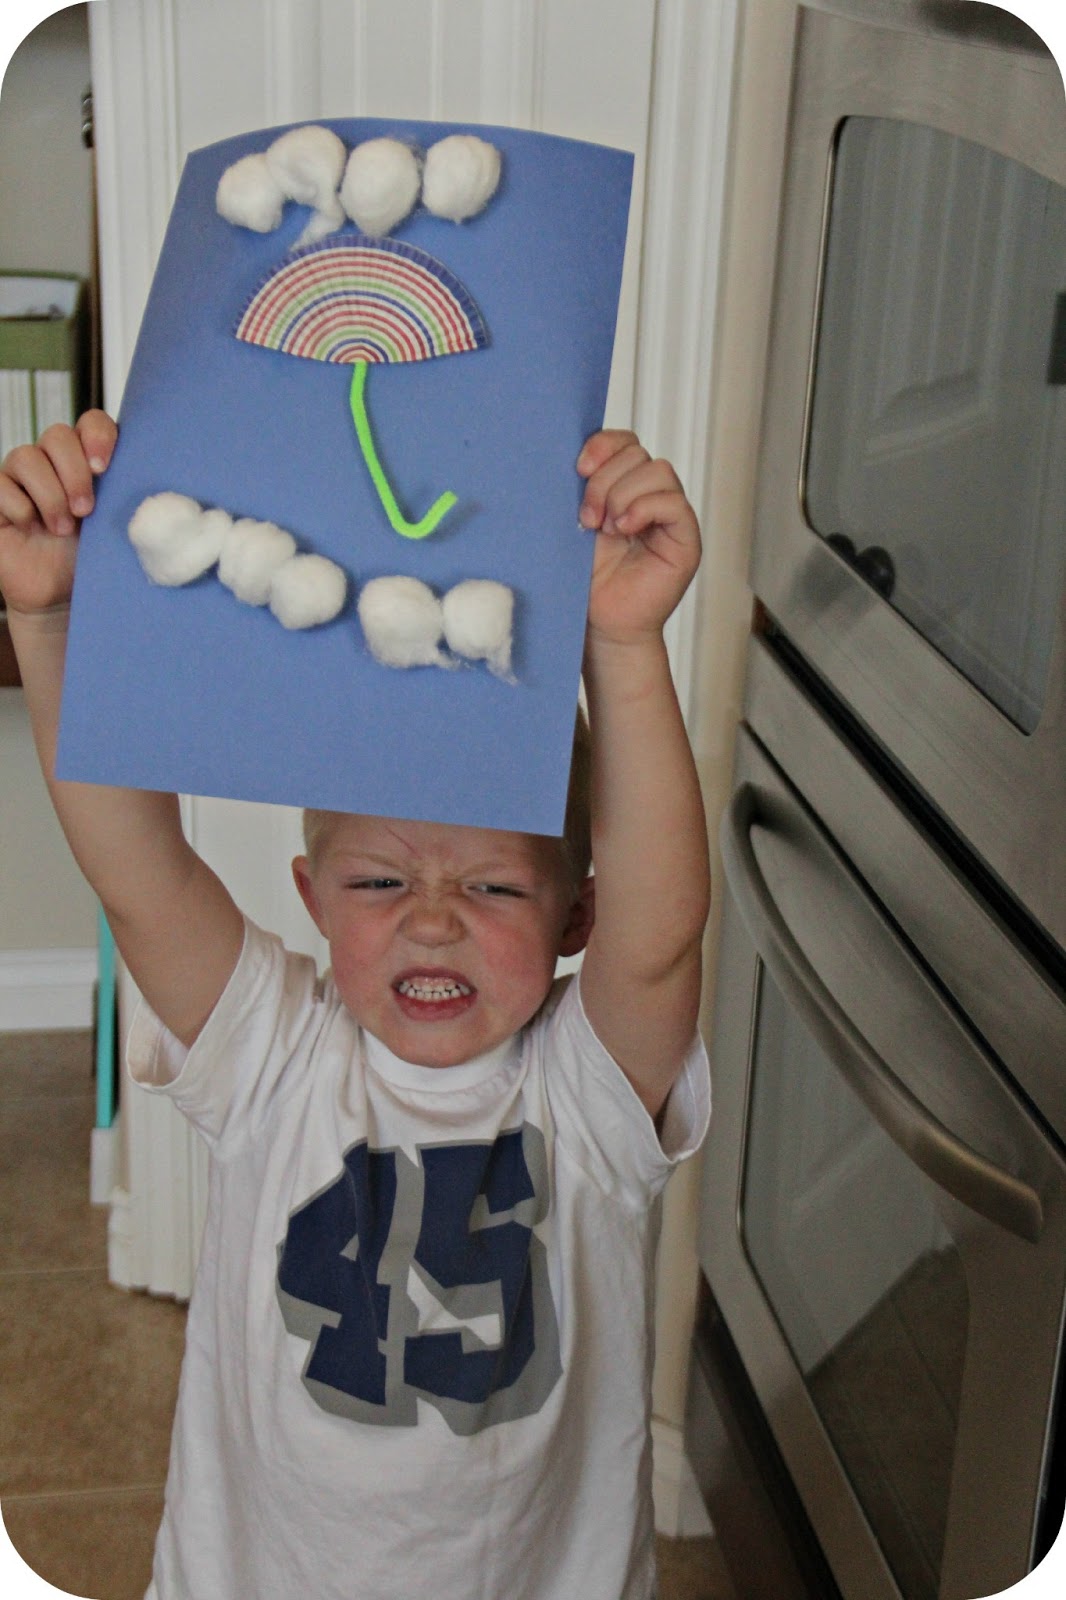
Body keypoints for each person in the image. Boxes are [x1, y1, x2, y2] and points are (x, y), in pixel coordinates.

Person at [0, 410, 712, 1600]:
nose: (432, 920)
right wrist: (52, 621)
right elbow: (140, 875)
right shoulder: (272, 1052)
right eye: (380, 882)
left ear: (577, 916)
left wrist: (622, 643)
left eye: (493, 886)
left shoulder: (587, 1095)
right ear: (311, 899)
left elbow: (663, 937)